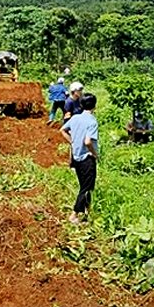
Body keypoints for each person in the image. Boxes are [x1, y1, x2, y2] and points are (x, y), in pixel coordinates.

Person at [60, 93, 98, 225]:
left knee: (85, 185)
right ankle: (74, 215)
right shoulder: (92, 121)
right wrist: (95, 154)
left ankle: (88, 211)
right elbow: (88, 141)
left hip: (75, 157)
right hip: (87, 158)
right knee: (86, 187)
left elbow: (63, 130)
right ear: (94, 106)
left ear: (81, 105)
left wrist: (72, 142)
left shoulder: (75, 118)